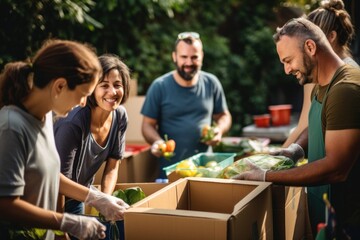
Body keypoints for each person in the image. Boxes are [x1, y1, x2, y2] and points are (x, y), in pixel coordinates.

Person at [233, 18, 360, 239]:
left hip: (351, 224)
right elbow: (319, 123)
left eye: (288, 60)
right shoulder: (322, 86)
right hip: (330, 217)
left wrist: (266, 176)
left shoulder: (345, 90)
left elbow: (336, 168)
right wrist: (295, 150)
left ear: (310, 47)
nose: (286, 70)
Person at [0, 39, 129, 240]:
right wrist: (64, 222)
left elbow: (51, 175)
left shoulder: (46, 118)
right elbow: (5, 205)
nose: (84, 103)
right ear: (60, 86)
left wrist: (95, 197)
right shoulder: (12, 127)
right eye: (83, 94)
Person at [141, 32, 232, 179]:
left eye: (194, 57)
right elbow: (147, 125)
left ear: (201, 56)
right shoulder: (159, 86)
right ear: (174, 56)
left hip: (205, 170)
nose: (189, 63)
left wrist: (219, 130)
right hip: (170, 173)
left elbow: (224, 115)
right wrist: (157, 141)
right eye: (184, 57)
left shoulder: (211, 83)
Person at [54, 54, 130, 220]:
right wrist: (60, 229)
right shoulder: (74, 123)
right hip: (49, 199)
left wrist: (106, 201)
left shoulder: (120, 116)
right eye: (104, 85)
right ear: (92, 89)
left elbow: (112, 166)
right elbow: (57, 182)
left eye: (118, 85)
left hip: (79, 195)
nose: (113, 92)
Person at [282, 0, 358, 148]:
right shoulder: (351, 69)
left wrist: (269, 163)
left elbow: (304, 125)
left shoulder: (340, 81)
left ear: (331, 37)